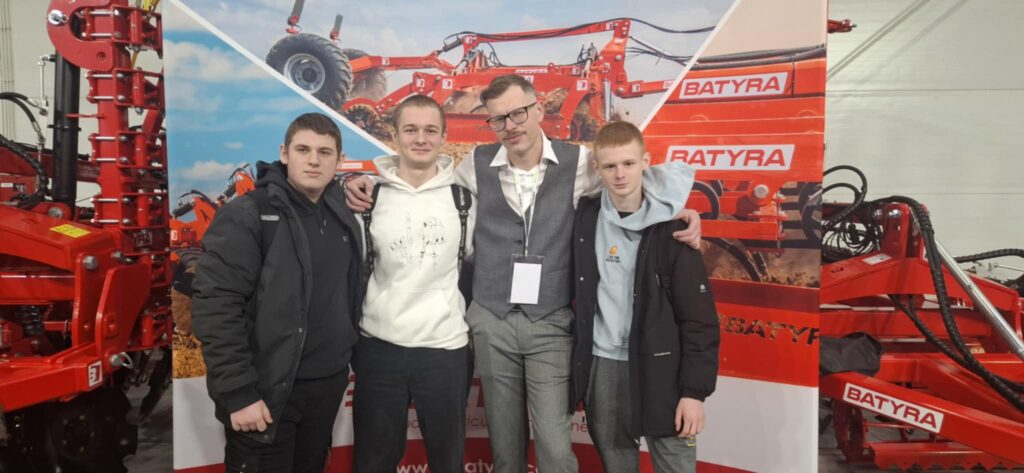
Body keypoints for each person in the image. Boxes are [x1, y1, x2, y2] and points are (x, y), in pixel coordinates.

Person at [345, 74, 702, 473]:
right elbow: (421, 184)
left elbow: (628, 179)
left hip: (550, 323)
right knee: (504, 446)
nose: (510, 126)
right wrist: (366, 182)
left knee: (554, 447)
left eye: (518, 113)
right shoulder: (475, 164)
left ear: (539, 110)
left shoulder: (579, 162)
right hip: (491, 322)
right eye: (498, 119)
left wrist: (675, 210)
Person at [192, 112, 362, 473]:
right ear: (284, 153)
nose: (313, 160)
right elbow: (216, 305)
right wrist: (239, 394)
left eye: (324, 152)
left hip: (326, 387)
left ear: (340, 160)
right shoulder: (249, 214)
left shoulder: (341, 213)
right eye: (303, 150)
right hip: (266, 393)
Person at [571, 121, 720, 473]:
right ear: (597, 169)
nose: (620, 174)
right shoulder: (586, 217)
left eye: (628, 163)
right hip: (604, 364)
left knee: (675, 465)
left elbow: (699, 320)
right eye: (610, 166)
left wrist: (693, 393)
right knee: (616, 462)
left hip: (662, 368)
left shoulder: (674, 230)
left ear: (646, 162)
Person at [351, 95, 475, 473]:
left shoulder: (465, 200)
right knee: (373, 461)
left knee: (447, 461)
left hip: (445, 350)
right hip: (379, 349)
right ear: (395, 135)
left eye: (430, 130)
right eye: (410, 130)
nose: (420, 139)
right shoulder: (368, 198)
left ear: (444, 137)